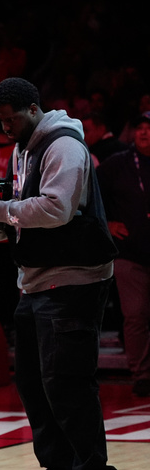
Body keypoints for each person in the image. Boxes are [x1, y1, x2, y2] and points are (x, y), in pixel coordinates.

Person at [0, 76, 122, 470]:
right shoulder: (24, 148)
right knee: (34, 383)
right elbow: (25, 216)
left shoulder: (64, 145)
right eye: (0, 120)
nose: (5, 128)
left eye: (11, 119)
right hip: (36, 280)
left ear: (34, 109)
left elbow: (56, 208)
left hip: (74, 279)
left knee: (68, 383)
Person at [97, 111, 150, 396]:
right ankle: (142, 374)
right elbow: (89, 193)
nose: (143, 132)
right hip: (130, 253)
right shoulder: (117, 164)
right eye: (138, 127)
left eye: (148, 128)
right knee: (136, 314)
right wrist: (107, 223)